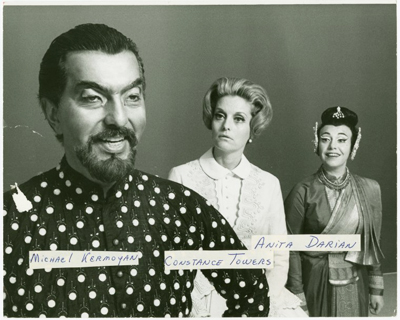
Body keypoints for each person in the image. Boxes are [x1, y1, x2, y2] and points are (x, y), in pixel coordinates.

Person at [2, 24, 271, 318]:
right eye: (93, 97)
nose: (119, 118)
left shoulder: (181, 207)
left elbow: (252, 293)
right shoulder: (10, 220)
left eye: (132, 96)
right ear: (53, 114)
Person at [168, 77, 306, 317]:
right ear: (211, 120)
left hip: (259, 295)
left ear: (252, 129)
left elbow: (280, 255)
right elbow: (174, 255)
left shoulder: (268, 183)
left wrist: (261, 302)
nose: (226, 126)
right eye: (220, 116)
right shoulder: (181, 176)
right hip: (199, 298)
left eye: (238, 118)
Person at [284, 106, 385, 317]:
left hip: (357, 280)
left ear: (353, 144)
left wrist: (376, 289)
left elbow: (371, 242)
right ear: (316, 142)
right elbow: (289, 247)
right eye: (325, 138)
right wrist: (296, 292)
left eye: (342, 140)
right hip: (315, 281)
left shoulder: (369, 188)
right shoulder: (302, 191)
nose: (332, 146)